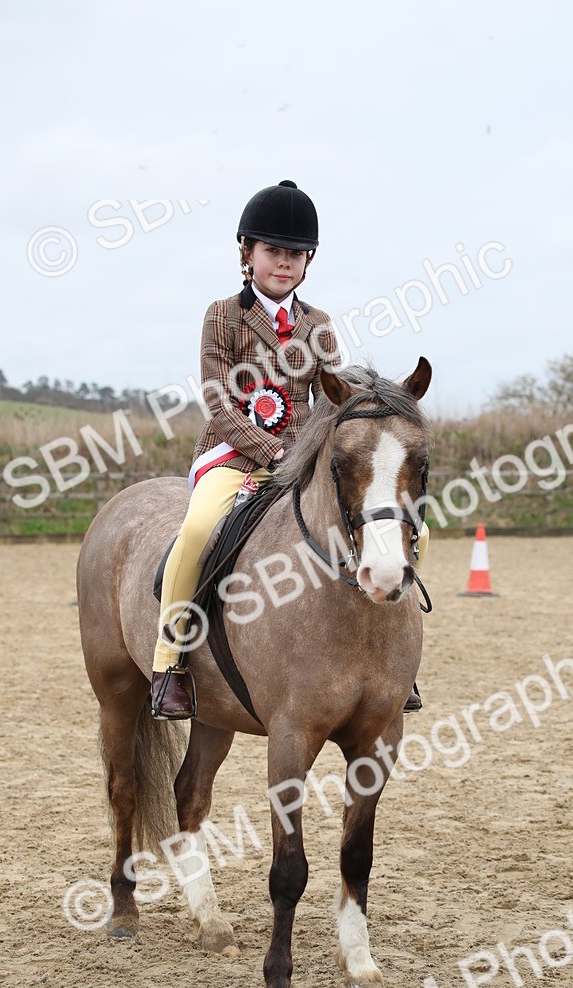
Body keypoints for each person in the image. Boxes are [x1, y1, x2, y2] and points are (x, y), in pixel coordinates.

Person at [151, 179, 426, 720]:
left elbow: (330, 399)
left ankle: (400, 663)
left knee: (398, 520)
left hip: (301, 458)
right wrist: (272, 452)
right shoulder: (222, 315)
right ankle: (171, 663)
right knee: (200, 528)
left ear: (308, 262)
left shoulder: (318, 326)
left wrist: (334, 437)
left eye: (296, 254)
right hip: (230, 454)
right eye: (273, 251)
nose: (285, 262)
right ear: (246, 255)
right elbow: (217, 401)